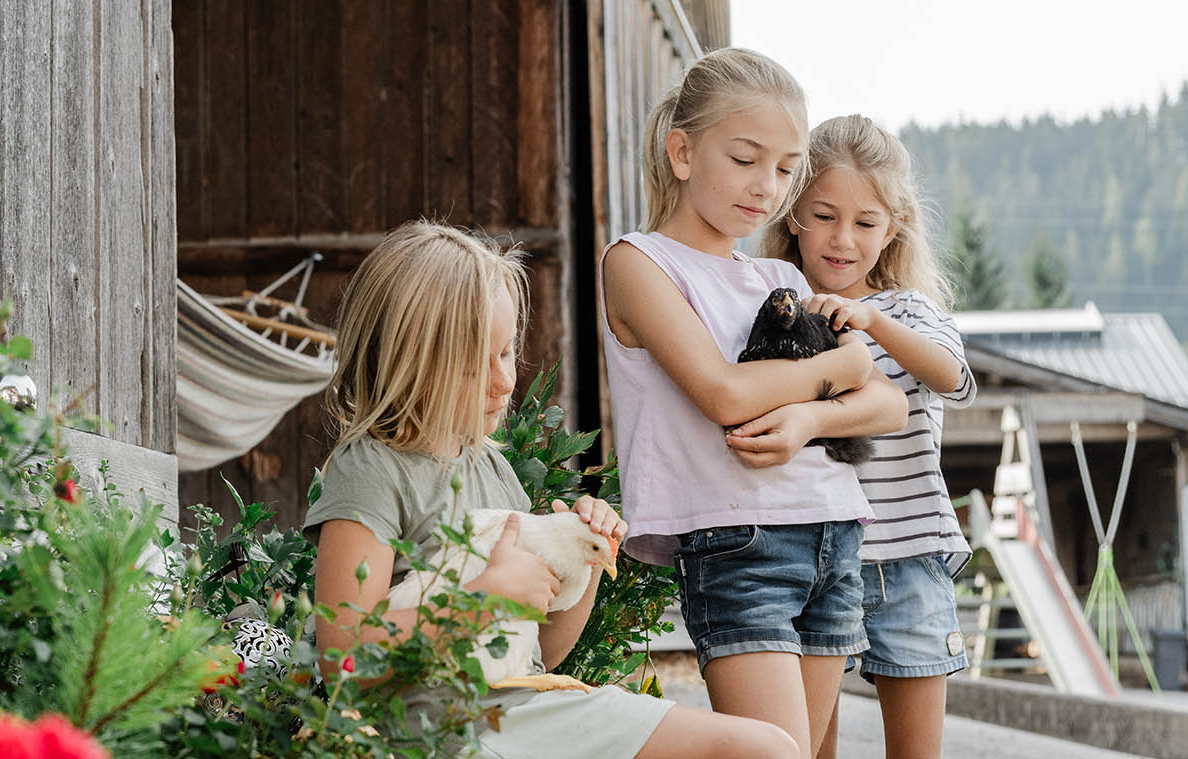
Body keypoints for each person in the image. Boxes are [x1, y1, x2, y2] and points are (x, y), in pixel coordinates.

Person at [306, 220, 803, 758]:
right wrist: (481, 600)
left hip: (521, 706)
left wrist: (584, 560)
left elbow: (542, 649)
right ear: (410, 363)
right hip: (448, 730)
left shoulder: (489, 468)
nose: (504, 381)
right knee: (758, 751)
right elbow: (344, 658)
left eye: (504, 353)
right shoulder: (374, 469)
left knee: (770, 746)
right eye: (474, 366)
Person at [599, 48, 910, 757]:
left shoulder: (775, 272)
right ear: (682, 151)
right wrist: (843, 364)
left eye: (784, 167)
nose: (767, 187)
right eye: (745, 159)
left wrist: (811, 412)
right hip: (739, 545)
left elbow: (886, 402)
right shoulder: (638, 262)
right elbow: (723, 391)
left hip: (834, 529)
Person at [762, 114, 977, 759]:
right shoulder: (773, 308)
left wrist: (871, 323)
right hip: (813, 562)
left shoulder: (909, 311)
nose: (843, 240)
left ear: (893, 229)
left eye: (865, 223)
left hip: (907, 563)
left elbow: (953, 378)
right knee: (808, 749)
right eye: (824, 215)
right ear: (793, 214)